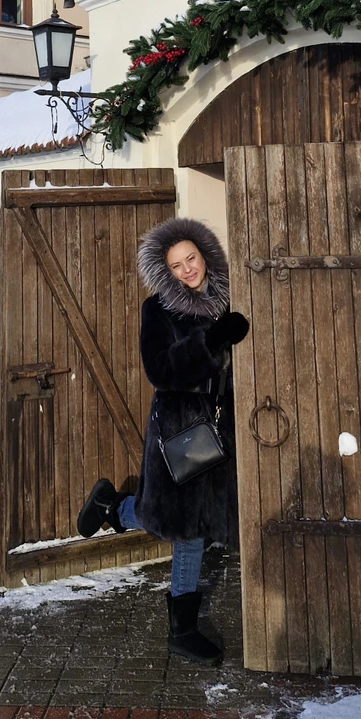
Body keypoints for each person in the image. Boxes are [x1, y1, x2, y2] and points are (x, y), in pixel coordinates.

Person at [77, 217, 249, 665]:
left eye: (191, 258)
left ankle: (112, 507)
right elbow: (161, 370)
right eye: (176, 265)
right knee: (183, 525)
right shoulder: (159, 310)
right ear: (165, 272)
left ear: (205, 255)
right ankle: (182, 630)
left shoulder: (231, 296)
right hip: (181, 429)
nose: (188, 269)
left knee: (194, 520)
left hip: (225, 428)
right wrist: (211, 341)